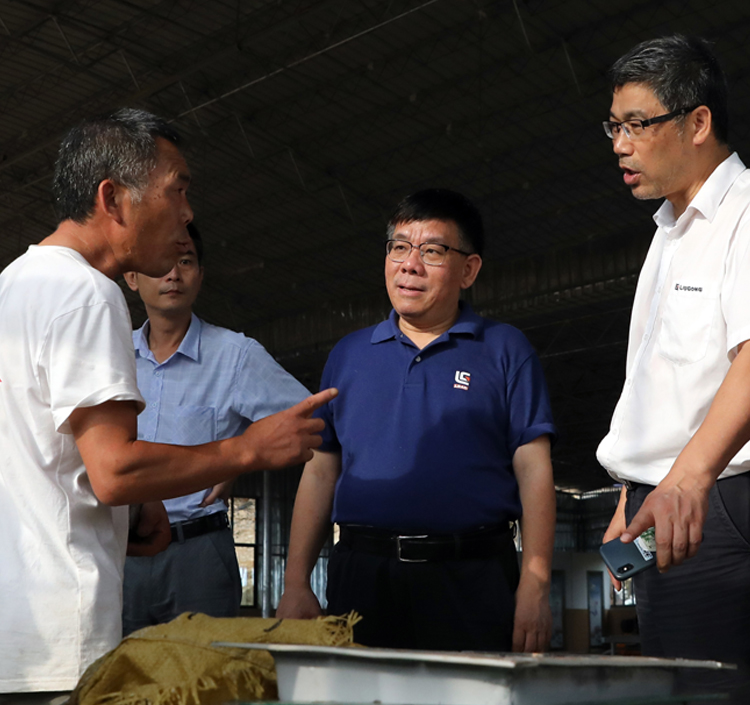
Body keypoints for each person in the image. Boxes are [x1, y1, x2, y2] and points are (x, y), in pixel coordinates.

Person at [0, 108, 335, 700]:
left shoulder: (14, 284)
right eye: (177, 190)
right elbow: (114, 471)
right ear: (113, 199)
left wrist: (138, 505)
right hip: (63, 630)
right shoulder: (88, 294)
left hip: (19, 629)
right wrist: (246, 450)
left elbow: (44, 456)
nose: (187, 213)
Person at [277, 188, 557, 653]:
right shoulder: (348, 355)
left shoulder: (505, 350)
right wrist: (295, 582)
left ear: (469, 270)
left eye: (432, 251)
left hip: (472, 578)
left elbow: (534, 470)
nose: (410, 265)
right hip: (362, 577)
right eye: (400, 247)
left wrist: (535, 582)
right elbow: (321, 470)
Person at [597, 35, 750, 701]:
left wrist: (684, 482)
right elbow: (660, 387)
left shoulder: (743, 213)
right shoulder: (670, 233)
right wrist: (631, 494)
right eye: (613, 127)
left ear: (698, 122)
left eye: (636, 124)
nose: (620, 144)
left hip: (717, 501)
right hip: (669, 502)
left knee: (705, 691)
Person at [122, 222, 309, 634]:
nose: (173, 274)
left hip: (197, 555)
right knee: (115, 671)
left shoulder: (235, 355)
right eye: (161, 263)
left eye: (186, 261)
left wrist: (241, 458)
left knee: (204, 670)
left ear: (200, 275)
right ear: (132, 277)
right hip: (121, 553)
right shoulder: (112, 355)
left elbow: (310, 423)